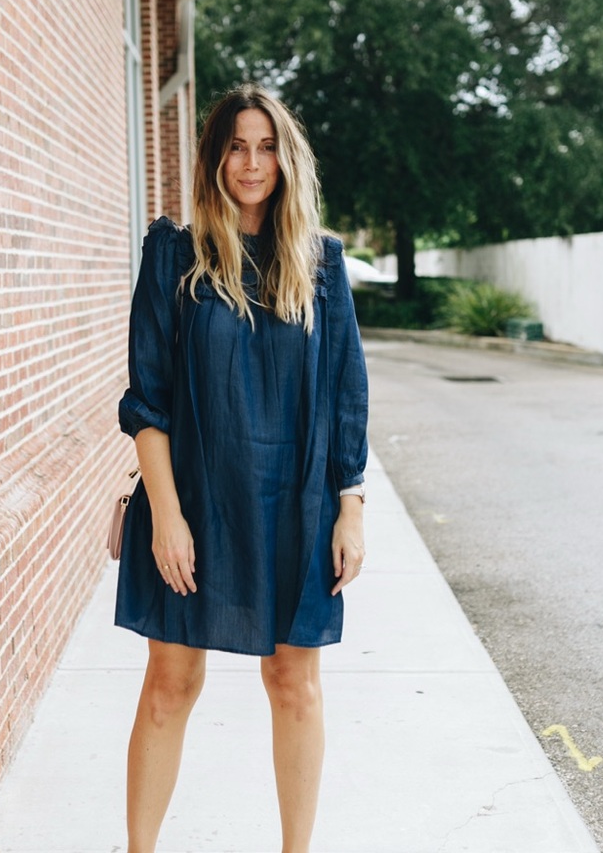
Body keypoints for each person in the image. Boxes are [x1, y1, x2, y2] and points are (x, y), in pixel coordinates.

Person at [116, 83, 368, 853]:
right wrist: (165, 514)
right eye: (235, 145)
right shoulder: (175, 256)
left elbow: (346, 395)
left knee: (293, 685)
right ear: (214, 156)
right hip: (195, 502)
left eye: (265, 146)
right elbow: (148, 400)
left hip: (295, 503)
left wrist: (350, 507)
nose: (250, 162)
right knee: (169, 687)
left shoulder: (320, 265)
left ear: (285, 159)